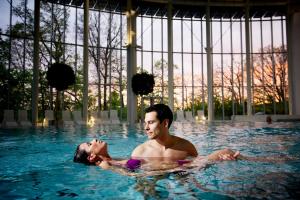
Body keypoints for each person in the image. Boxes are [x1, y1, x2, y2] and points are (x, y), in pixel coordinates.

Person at [73, 138, 240, 177]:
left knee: (227, 153)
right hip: (175, 169)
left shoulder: (113, 158)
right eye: (89, 144)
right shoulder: (105, 164)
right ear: (91, 157)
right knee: (225, 151)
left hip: (176, 167)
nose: (94, 140)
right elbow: (131, 175)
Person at [131, 104, 198, 162]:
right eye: (146, 123)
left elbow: (198, 167)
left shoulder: (186, 148)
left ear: (165, 123)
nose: (146, 127)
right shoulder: (140, 152)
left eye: (151, 122)